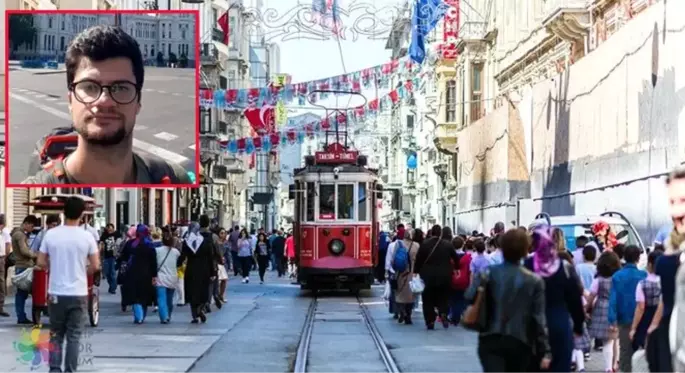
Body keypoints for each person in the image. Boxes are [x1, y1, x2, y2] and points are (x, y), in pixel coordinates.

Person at [22, 25, 191, 184]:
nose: (104, 100)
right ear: (70, 100)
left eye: (120, 88)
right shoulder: (37, 185)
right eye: (89, 86)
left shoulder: (174, 178)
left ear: (138, 101)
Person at [466, 228, 551, 373]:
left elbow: (469, 296)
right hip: (521, 340)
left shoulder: (487, 273)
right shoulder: (534, 281)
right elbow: (538, 318)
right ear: (525, 250)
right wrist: (545, 350)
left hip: (491, 337)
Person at [36, 196, 100, 373]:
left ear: (63, 212)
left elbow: (40, 262)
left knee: (56, 335)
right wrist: (82, 271)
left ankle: (54, 370)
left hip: (56, 292)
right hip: (78, 292)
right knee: (74, 336)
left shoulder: (51, 234)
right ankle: (70, 370)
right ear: (82, 214)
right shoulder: (87, 236)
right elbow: (95, 265)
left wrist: (53, 266)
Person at [524, 226, 585, 373]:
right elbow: (575, 299)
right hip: (559, 324)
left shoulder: (527, 265)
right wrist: (578, 325)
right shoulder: (564, 267)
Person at [607, 244, 646, 373]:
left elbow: (613, 299)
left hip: (623, 318)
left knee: (625, 351)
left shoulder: (617, 276)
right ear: (638, 258)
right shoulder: (644, 275)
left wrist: (612, 319)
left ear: (623, 257)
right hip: (642, 318)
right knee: (642, 350)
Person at [413, 225, 459, 329]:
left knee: (428, 298)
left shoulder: (424, 244)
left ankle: (430, 321)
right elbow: (456, 258)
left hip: (428, 276)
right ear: (440, 233)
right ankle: (443, 312)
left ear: (432, 233)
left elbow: (419, 260)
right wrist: (456, 268)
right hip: (445, 275)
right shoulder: (447, 245)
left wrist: (415, 272)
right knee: (444, 296)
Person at [179, 217, 217, 323]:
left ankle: (195, 315)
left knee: (192, 292)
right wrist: (213, 272)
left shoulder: (187, 241)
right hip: (204, 269)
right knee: (203, 290)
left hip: (191, 269)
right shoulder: (206, 241)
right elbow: (211, 256)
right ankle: (201, 307)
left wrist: (177, 264)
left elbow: (183, 256)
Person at [117, 224, 157, 324]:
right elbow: (153, 262)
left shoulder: (130, 244)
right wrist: (154, 275)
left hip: (132, 272)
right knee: (144, 296)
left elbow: (124, 257)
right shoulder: (150, 245)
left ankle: (138, 316)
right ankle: (142, 315)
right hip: (146, 274)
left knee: (135, 296)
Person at [630, 250, 662, 350]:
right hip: (662, 320)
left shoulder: (642, 284)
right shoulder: (667, 282)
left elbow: (640, 307)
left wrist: (633, 328)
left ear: (649, 264)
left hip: (646, 319)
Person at [12, 215, 39, 324]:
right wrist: (35, 255)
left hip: (23, 265)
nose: (32, 229)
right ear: (26, 223)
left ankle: (22, 316)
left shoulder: (19, 233)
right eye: (31, 226)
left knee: (22, 293)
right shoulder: (20, 235)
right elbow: (24, 251)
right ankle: (21, 317)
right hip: (23, 266)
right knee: (22, 293)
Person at [390, 229, 420, 325]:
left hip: (400, 273)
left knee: (399, 294)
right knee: (410, 296)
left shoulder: (398, 244)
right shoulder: (416, 245)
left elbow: (393, 259)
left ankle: (401, 312)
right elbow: (419, 259)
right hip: (411, 274)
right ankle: (408, 315)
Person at [154, 227, 181, 324]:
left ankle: (163, 316)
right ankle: (168, 314)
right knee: (169, 299)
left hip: (161, 278)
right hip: (172, 278)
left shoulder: (157, 251)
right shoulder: (176, 252)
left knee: (161, 298)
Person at [99, 223, 122, 294]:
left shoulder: (117, 234)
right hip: (105, 256)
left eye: (110, 228)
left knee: (113, 273)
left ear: (113, 228)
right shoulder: (104, 235)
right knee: (107, 273)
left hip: (113, 256)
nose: (109, 230)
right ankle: (111, 285)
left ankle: (113, 288)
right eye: (108, 228)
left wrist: (118, 253)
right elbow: (101, 244)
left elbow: (119, 244)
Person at [0, 214, 10, 317]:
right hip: (2, 258)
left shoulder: (6, 232)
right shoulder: (6, 232)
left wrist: (5, 257)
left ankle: (0, 307)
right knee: (1, 282)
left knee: (1, 283)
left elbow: (8, 246)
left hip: (1, 258)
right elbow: (8, 246)